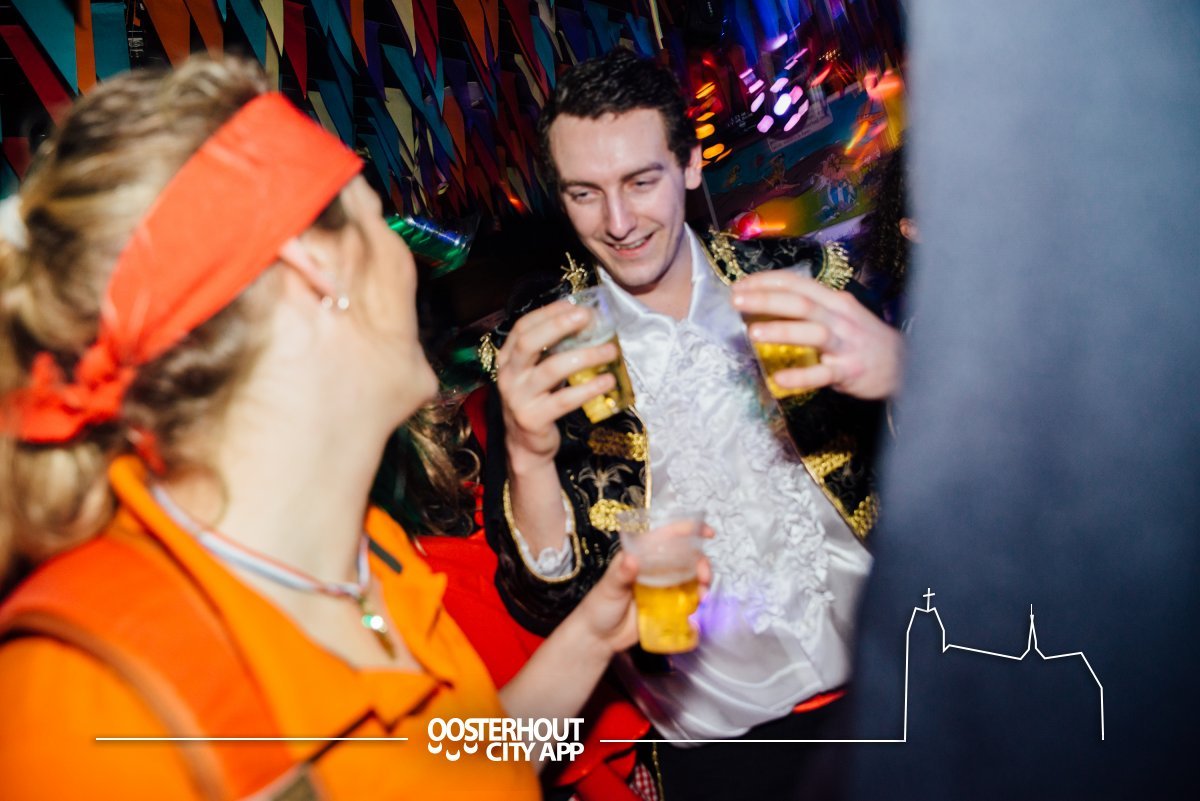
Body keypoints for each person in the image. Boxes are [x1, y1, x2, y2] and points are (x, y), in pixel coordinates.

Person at [0, 56, 673, 801]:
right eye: (375, 218)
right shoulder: (88, 699)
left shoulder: (364, 552)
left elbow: (457, 761)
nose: (411, 262)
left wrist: (592, 634)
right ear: (316, 268)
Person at [483, 47, 903, 799]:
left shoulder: (802, 280)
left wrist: (907, 376)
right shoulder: (547, 353)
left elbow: (957, 481)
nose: (618, 222)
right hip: (723, 753)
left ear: (689, 164)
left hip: (897, 684)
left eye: (641, 181)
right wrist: (525, 456)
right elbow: (546, 602)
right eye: (585, 194)